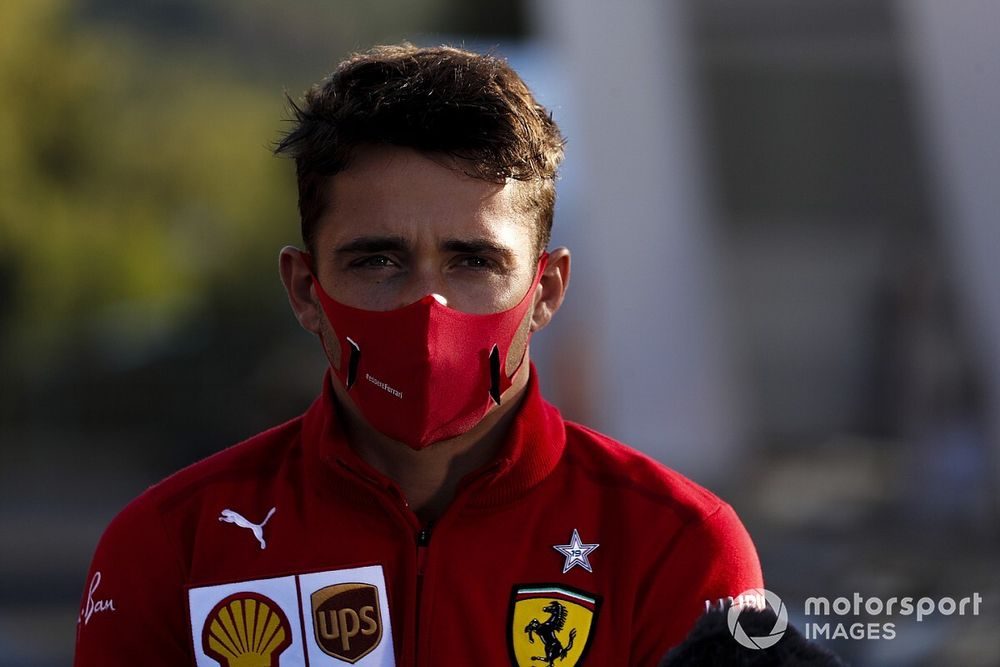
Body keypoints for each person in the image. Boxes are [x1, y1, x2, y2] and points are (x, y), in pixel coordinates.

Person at [74, 44, 762, 666]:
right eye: (378, 259)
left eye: (473, 260)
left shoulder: (677, 544)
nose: (428, 307)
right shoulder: (173, 546)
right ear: (304, 289)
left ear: (546, 288)